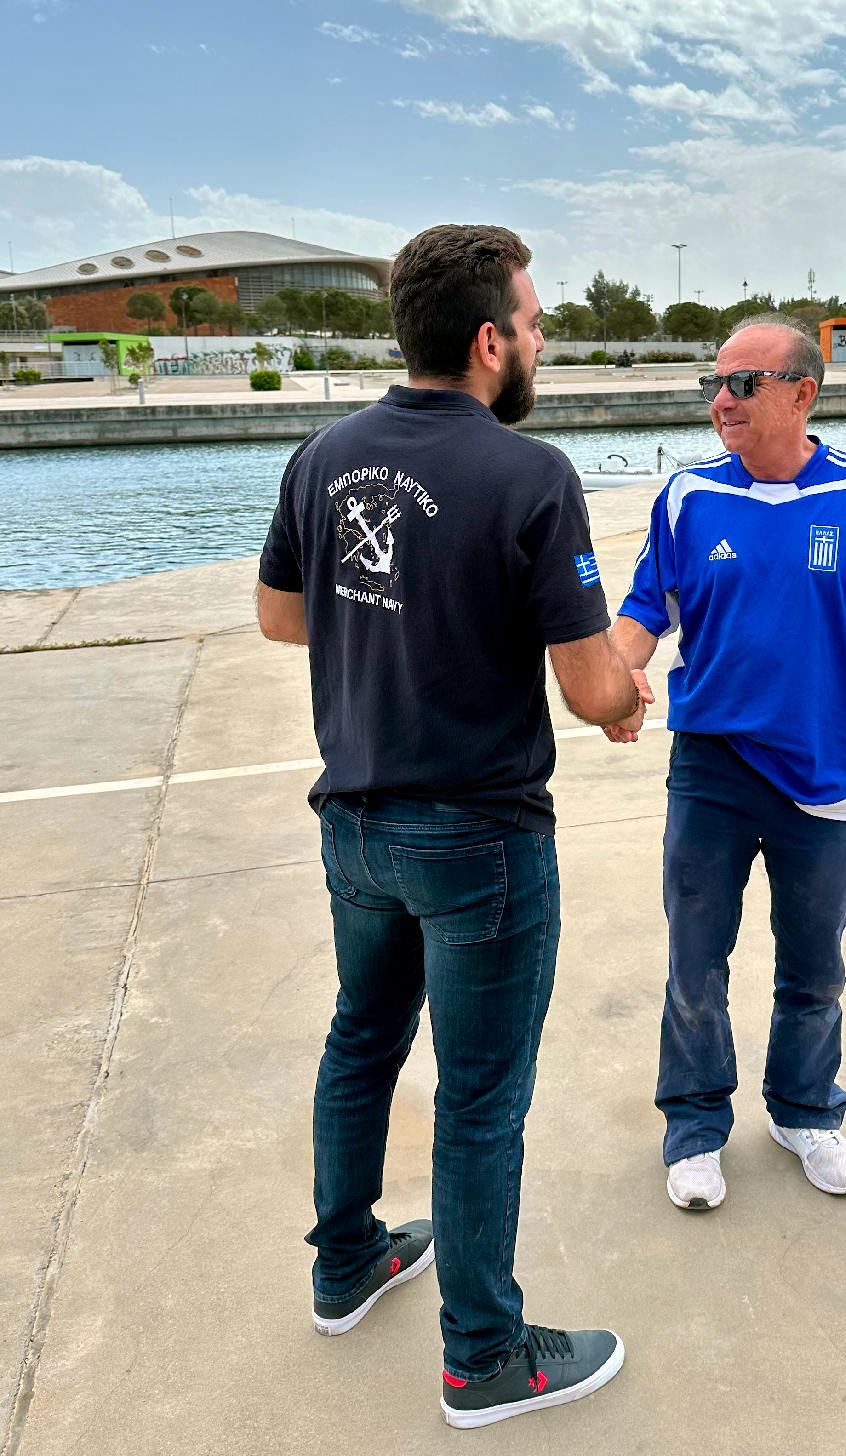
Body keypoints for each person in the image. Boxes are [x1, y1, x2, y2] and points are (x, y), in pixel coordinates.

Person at [257, 224, 647, 1427]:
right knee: (479, 1098)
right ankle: (484, 1355)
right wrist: (628, 694)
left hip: (356, 828)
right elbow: (593, 689)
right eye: (533, 325)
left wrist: (397, 612)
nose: (541, 342)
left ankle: (345, 1261)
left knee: (361, 1039)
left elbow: (282, 615)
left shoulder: (324, 456)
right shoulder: (531, 476)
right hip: (479, 839)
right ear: (489, 342)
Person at [606, 315, 846, 1212]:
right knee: (695, 960)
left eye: (743, 384)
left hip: (825, 769)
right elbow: (644, 610)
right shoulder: (687, 496)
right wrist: (619, 677)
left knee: (815, 967)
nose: (721, 400)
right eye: (714, 384)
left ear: (802, 393)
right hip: (712, 765)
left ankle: (806, 1113)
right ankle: (694, 1127)